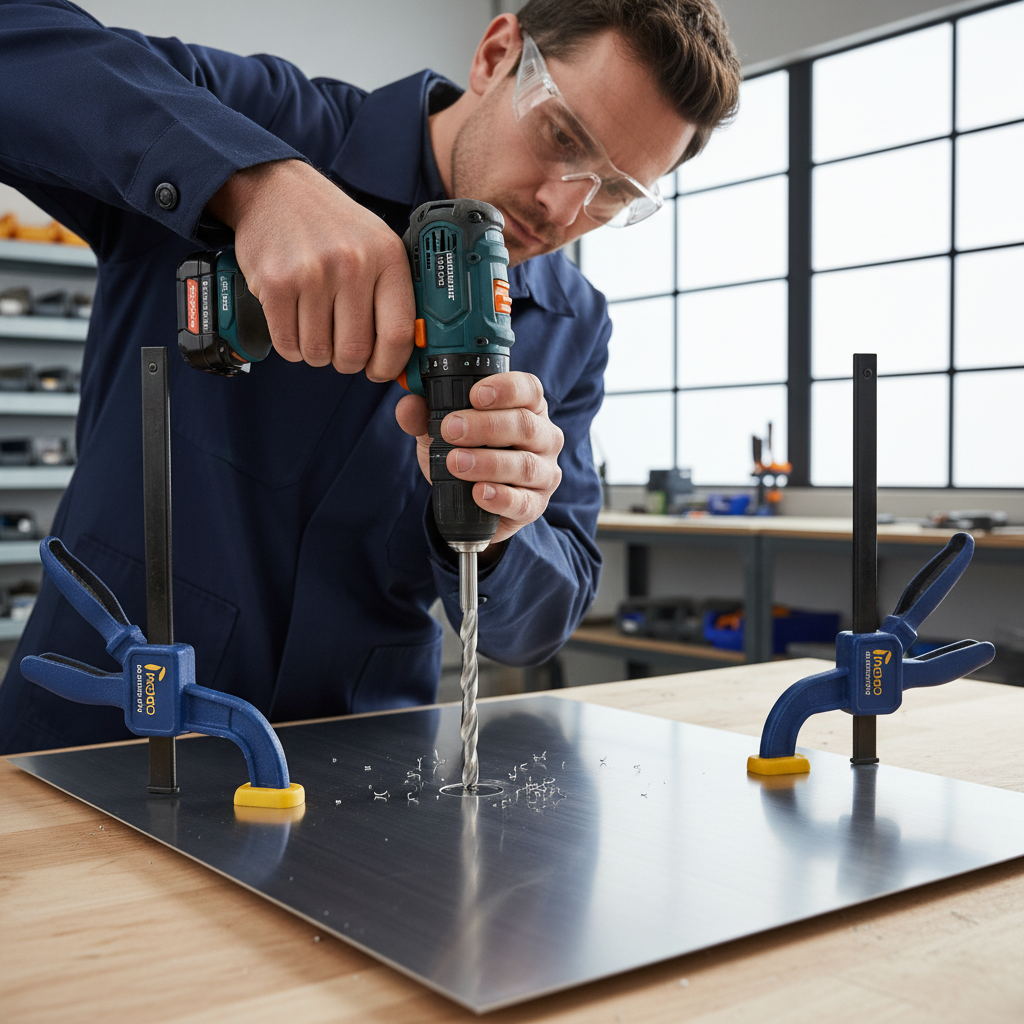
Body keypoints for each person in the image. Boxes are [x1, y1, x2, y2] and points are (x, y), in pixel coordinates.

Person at [0, 0, 740, 753]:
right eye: (561, 134)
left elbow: (539, 628)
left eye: (615, 191)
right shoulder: (261, 121)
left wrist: (500, 535)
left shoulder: (572, 321)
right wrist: (250, 182)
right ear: (495, 56)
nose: (563, 205)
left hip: (359, 766)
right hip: (106, 728)